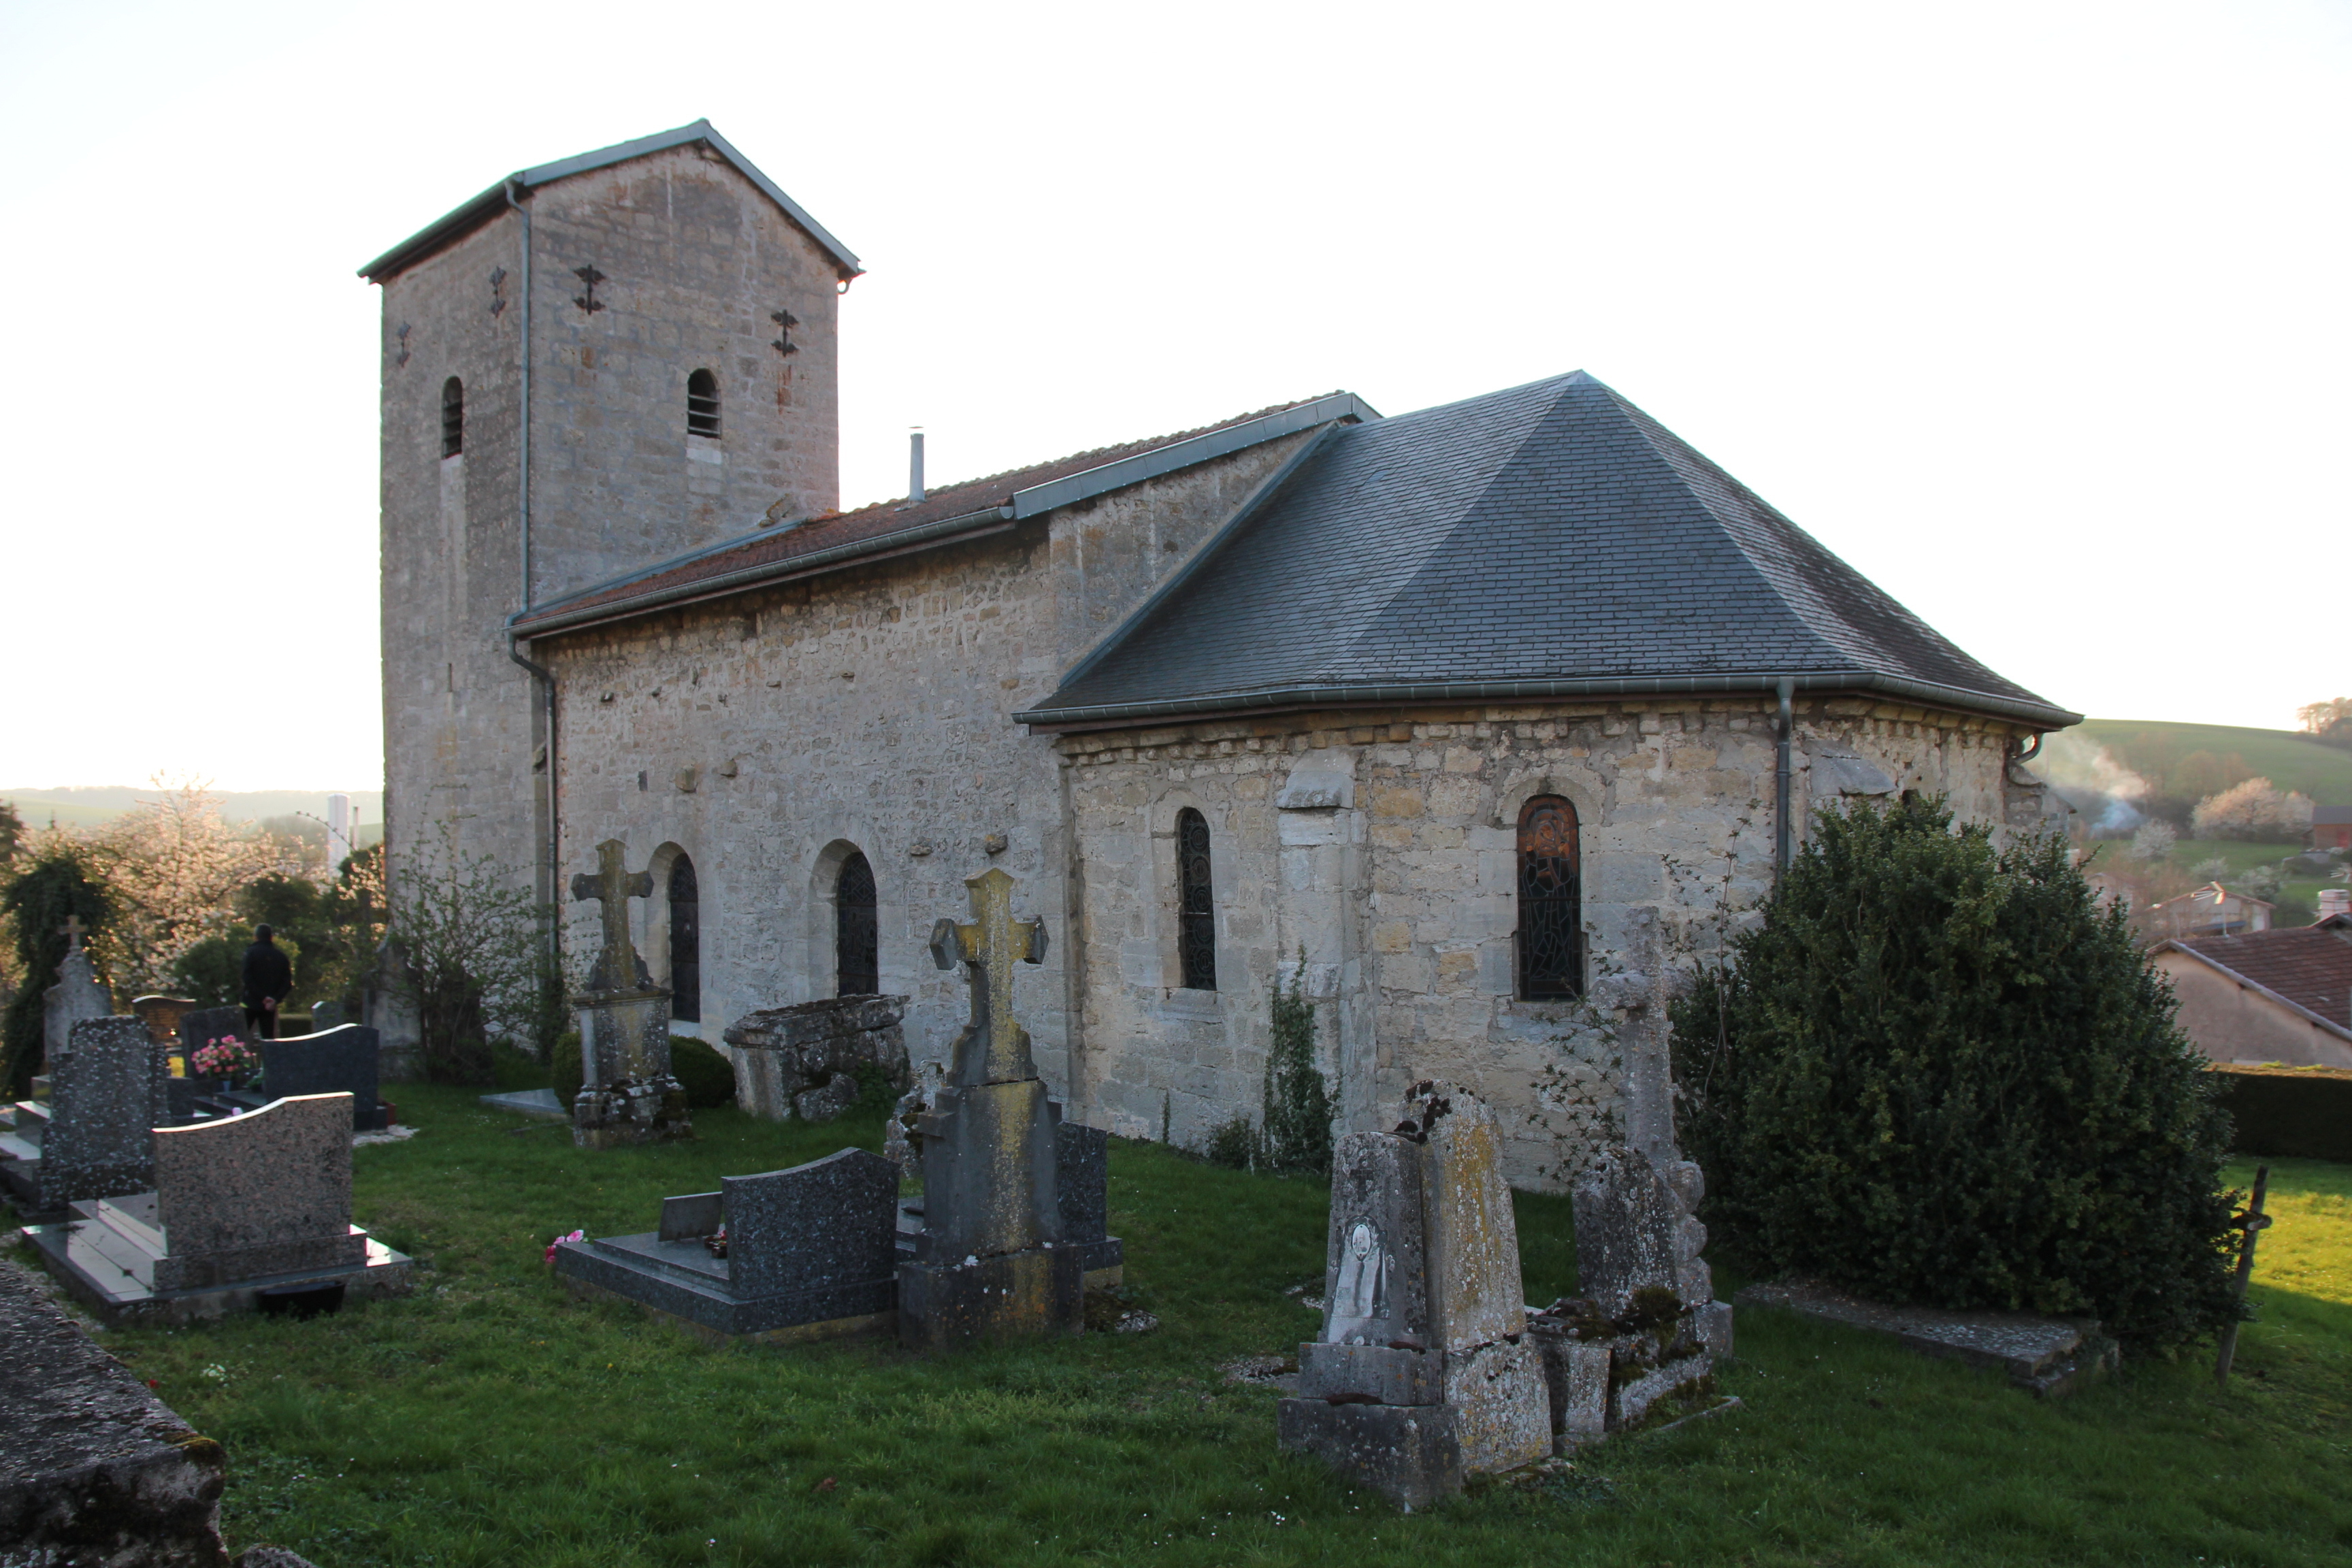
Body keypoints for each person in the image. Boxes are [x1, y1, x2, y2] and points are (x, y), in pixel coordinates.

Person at [241, 924, 293, 1039]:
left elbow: (247, 978)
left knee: (241, 1038)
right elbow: (287, 983)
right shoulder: (281, 957)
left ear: (256, 936)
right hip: (270, 1005)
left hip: (250, 1002)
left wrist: (262, 997)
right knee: (268, 1038)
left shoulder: (250, 953)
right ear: (271, 937)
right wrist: (274, 999)